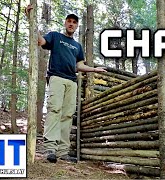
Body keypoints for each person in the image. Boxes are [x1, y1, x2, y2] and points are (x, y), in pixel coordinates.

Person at [25, 5, 106, 163]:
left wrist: (94, 69)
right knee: (54, 110)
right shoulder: (55, 37)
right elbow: (39, 41)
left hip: (72, 81)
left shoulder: (77, 46)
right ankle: (50, 148)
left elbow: (79, 66)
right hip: (56, 78)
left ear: (76, 26)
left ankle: (62, 152)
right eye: (69, 21)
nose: (71, 24)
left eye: (74, 22)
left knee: (68, 115)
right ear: (65, 23)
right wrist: (30, 20)